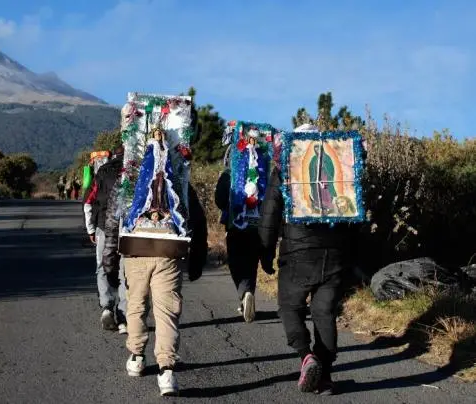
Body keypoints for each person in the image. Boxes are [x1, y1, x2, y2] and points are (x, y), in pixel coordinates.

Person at [258, 125, 361, 395]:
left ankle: (306, 356)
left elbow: (270, 212)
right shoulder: (342, 160)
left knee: (289, 306)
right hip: (335, 254)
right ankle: (325, 375)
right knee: (324, 312)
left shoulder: (286, 166)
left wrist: (266, 251)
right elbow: (352, 211)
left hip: (298, 252)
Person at [103, 175, 207, 396]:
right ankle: (167, 370)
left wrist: (109, 260)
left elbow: (113, 221)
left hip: (136, 249)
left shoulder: (128, 176)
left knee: (136, 304)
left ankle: (137, 356)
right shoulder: (176, 175)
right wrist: (197, 261)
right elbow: (197, 219)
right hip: (169, 250)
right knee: (167, 310)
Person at [215, 147, 273, 323]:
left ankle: (244, 294)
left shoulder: (229, 174)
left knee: (235, 262)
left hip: (235, 225)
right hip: (257, 226)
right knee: (251, 262)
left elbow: (219, 199)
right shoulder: (264, 174)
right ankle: (248, 293)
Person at [83, 145, 127, 334]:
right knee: (126, 270)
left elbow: (88, 200)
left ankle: (107, 306)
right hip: (128, 228)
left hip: (104, 225)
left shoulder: (102, 171)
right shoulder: (137, 170)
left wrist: (90, 228)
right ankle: (124, 314)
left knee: (103, 265)